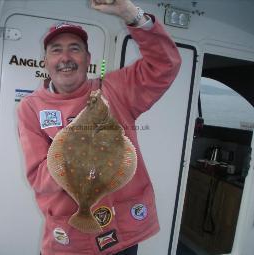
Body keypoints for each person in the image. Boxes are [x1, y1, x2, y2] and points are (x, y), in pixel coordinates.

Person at [17, 0, 181, 254]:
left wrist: (131, 15)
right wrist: (78, 155)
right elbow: (39, 179)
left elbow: (165, 66)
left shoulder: (113, 89)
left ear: (88, 59)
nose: (65, 58)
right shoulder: (30, 108)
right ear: (46, 62)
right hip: (69, 238)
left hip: (123, 231)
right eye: (56, 50)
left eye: (75, 49)